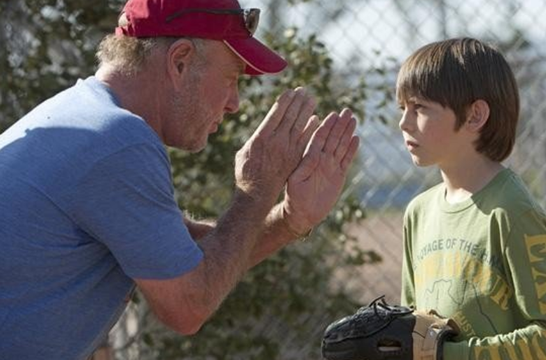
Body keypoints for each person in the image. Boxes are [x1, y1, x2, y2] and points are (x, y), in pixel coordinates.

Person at [0, 0, 359, 359]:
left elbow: (188, 257)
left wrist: (291, 219)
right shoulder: (116, 140)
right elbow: (188, 305)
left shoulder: (84, 117)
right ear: (180, 61)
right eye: (232, 78)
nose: (234, 102)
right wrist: (257, 189)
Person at [397, 38, 546, 359]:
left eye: (420, 108)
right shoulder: (418, 213)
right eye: (403, 109)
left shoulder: (511, 210)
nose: (404, 123)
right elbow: (415, 329)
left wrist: (451, 355)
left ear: (474, 116)